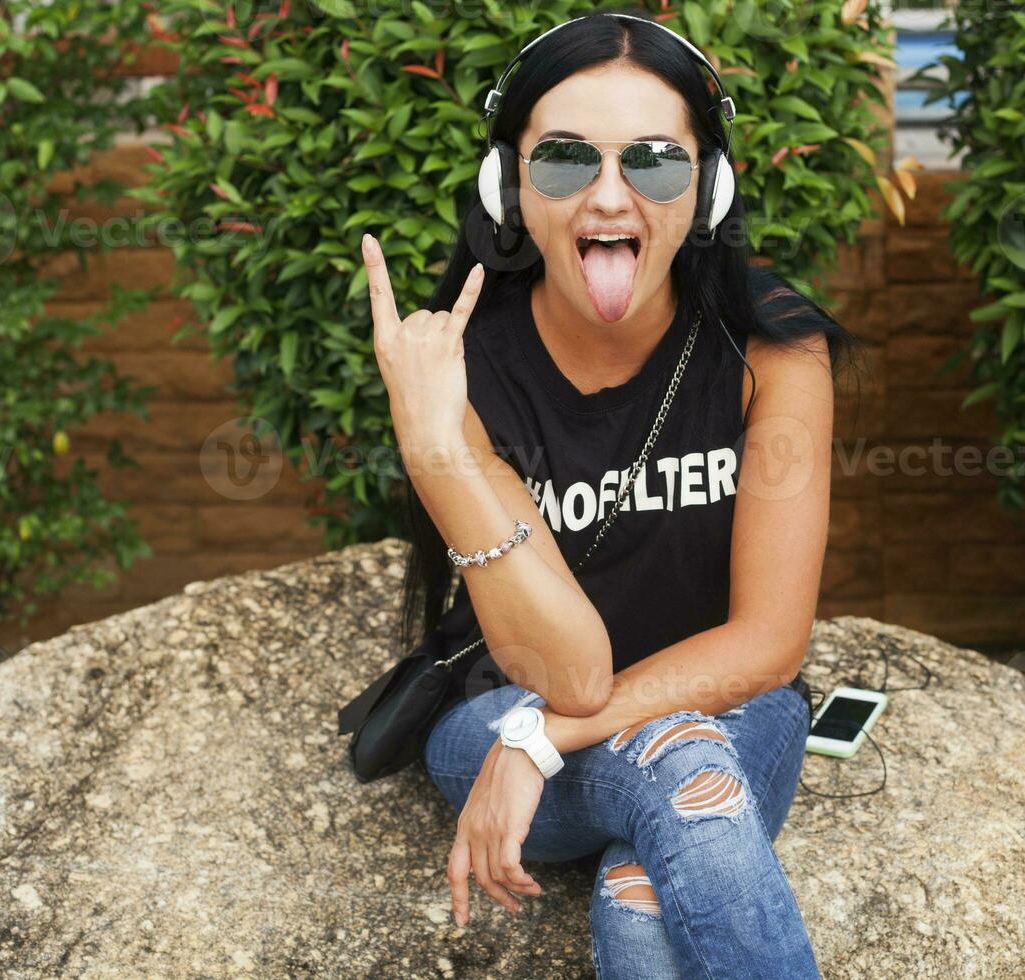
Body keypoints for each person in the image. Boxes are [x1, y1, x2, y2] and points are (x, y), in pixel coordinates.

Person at [361, 9, 859, 978]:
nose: (609, 196)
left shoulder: (774, 347)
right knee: (687, 770)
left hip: (717, 700)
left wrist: (542, 740)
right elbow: (576, 674)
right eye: (563, 161)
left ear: (708, 189)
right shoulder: (463, 372)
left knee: (643, 890)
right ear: (508, 184)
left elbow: (768, 641)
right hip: (498, 708)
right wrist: (436, 447)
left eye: (656, 164)